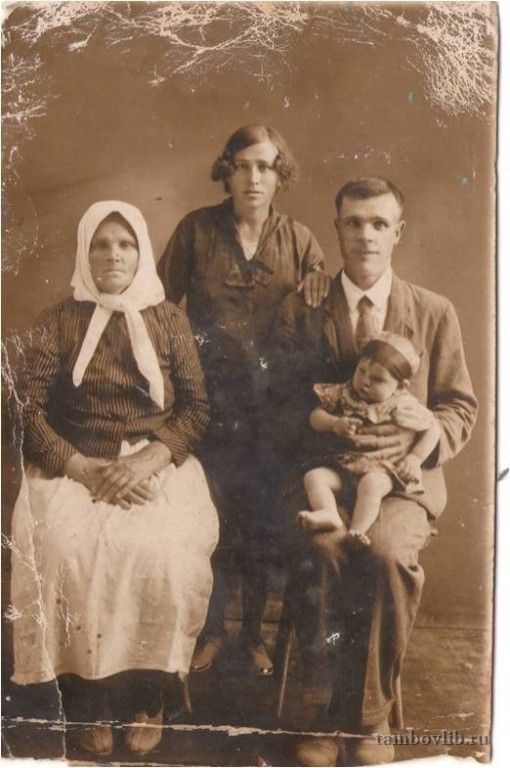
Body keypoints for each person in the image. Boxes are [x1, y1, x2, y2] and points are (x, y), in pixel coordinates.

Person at [275, 177, 478, 766]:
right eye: (354, 223)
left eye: (379, 224)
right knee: (325, 548)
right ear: (337, 228)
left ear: (398, 232)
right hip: (326, 471)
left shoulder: (433, 311)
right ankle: (319, 709)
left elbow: (459, 406)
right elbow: (278, 404)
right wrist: (329, 429)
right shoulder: (302, 308)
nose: (366, 235)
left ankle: (368, 716)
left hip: (401, 483)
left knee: (386, 553)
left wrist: (417, 442)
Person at [9, 201, 218, 758]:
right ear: (85, 252)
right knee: (65, 549)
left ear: (141, 251)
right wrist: (79, 465)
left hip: (155, 466)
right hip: (76, 465)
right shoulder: (59, 319)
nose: (113, 255)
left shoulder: (170, 320)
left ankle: (148, 695)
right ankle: (87, 698)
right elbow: (27, 411)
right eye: (100, 244)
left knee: (164, 554)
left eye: (125, 244)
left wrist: (150, 459)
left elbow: (196, 407)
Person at [157, 125, 330, 676]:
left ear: (280, 175)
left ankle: (253, 634)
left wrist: (321, 283)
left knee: (259, 522)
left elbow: (324, 315)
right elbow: (157, 308)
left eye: (266, 167)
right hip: (205, 406)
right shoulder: (195, 231)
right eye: (243, 166)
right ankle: (209, 630)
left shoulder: (301, 241)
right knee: (208, 518)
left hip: (273, 411)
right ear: (226, 172)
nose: (254, 178)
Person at [298, 332, 441, 545]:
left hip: (382, 469)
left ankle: (357, 531)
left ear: (401, 386)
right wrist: (333, 423)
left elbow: (433, 428)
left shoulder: (403, 404)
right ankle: (328, 513)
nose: (365, 382)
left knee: (371, 485)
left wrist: (414, 458)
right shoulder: (345, 392)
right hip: (343, 466)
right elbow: (314, 417)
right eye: (362, 371)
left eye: (378, 379)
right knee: (314, 477)